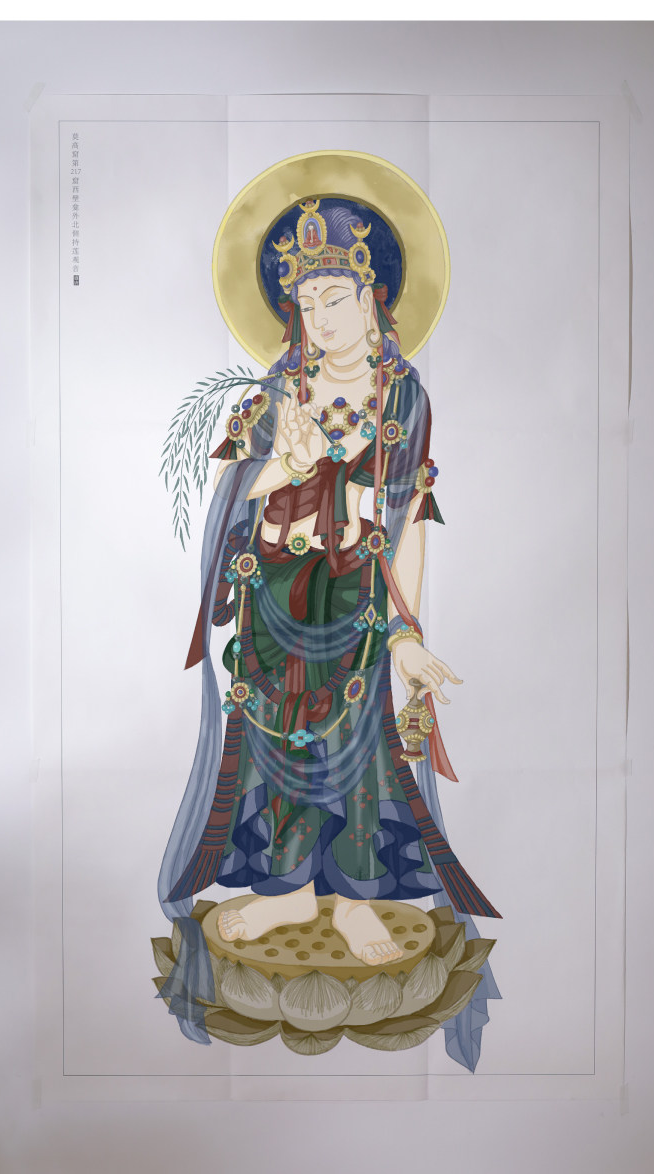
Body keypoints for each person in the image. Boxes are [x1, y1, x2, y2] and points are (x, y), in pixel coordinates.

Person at [158, 156, 500, 1066]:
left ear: (375, 297)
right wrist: (284, 464)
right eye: (307, 303)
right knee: (274, 746)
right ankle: (283, 891)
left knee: (357, 749)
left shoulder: (403, 398)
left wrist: (407, 634)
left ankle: (352, 897)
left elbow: (411, 519)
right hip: (273, 596)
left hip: (356, 605)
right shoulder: (275, 393)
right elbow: (233, 496)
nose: (322, 319)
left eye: (337, 298)